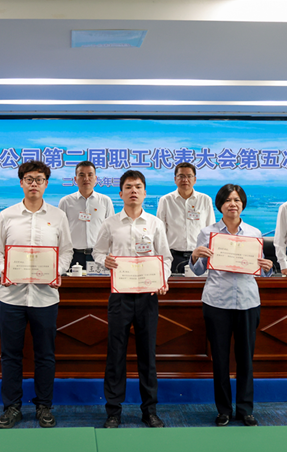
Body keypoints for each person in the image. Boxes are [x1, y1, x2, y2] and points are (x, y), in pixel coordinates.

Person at [0, 161, 73, 429]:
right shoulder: (7, 215)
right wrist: (6, 270)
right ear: (21, 183)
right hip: (11, 296)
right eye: (29, 179)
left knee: (45, 355)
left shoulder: (58, 216)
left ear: (46, 184)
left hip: (45, 297)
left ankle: (44, 406)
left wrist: (56, 271)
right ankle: (12, 407)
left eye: (39, 179)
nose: (34, 183)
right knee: (10, 355)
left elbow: (67, 251)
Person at [93, 170, 172, 429]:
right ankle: (113, 411)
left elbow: (165, 258)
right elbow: (97, 252)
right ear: (121, 193)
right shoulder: (111, 223)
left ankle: (149, 411)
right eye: (128, 187)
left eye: (138, 186)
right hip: (120, 296)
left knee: (147, 355)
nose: (133, 191)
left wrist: (162, 279)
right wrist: (104, 260)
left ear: (145, 192)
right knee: (115, 354)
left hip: (148, 296)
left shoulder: (155, 223)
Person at [189, 184, 273, 427]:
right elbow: (199, 271)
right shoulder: (208, 233)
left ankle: (246, 410)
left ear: (242, 204)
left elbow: (259, 270)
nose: (232, 204)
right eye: (227, 200)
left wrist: (267, 268)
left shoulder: (254, 233)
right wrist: (195, 256)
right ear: (220, 205)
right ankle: (223, 410)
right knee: (220, 359)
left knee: (246, 358)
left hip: (248, 301)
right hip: (217, 301)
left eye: (236, 200)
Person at [156, 162, 215, 273]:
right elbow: (160, 231)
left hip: (199, 256)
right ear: (175, 179)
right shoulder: (166, 200)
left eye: (189, 176)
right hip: (173, 255)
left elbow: (210, 229)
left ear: (195, 179)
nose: (185, 180)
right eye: (181, 176)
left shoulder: (205, 199)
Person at [58, 161, 114, 269]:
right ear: (75, 179)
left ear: (95, 178)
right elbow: (60, 231)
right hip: (73, 256)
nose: (86, 178)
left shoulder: (105, 201)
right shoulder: (66, 202)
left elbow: (111, 231)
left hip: (99, 256)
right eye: (82, 175)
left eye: (90, 175)